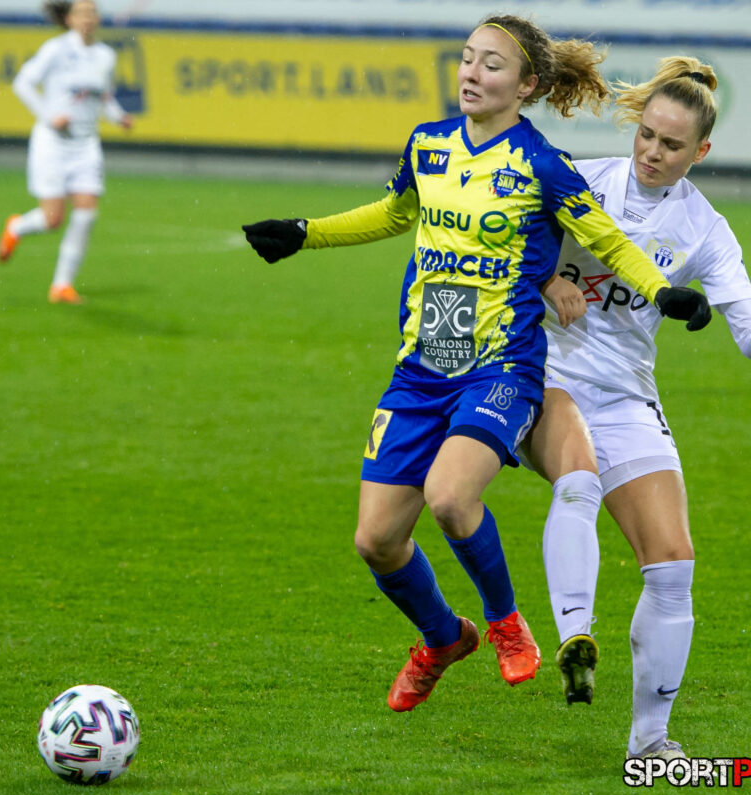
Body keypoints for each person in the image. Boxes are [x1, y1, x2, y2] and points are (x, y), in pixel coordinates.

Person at [243, 16, 709, 713]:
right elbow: (396, 213)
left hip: (502, 369)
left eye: (491, 66)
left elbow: (607, 242)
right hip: (423, 366)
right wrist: (305, 234)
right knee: (375, 540)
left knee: (451, 497)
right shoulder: (429, 144)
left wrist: (661, 291)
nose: (470, 73)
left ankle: (505, 623)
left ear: (525, 86)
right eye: (466, 59)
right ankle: (443, 637)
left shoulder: (542, 164)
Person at [522, 55, 750, 759]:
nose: (652, 152)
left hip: (625, 394)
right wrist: (545, 280)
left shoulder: (705, 231)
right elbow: (493, 242)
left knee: (673, 564)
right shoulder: (583, 183)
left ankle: (650, 744)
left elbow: (744, 320)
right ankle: (575, 635)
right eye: (646, 135)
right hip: (543, 376)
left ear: (701, 152)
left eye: (671, 145)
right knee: (579, 479)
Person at [0, 0, 132, 304]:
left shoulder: (105, 56)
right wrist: (48, 115)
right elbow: (23, 83)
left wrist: (118, 115)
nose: (88, 18)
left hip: (86, 145)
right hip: (53, 143)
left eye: (92, 13)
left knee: (86, 212)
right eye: (82, 13)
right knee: (52, 220)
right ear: (69, 18)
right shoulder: (55, 50)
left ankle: (61, 285)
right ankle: (16, 227)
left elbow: (103, 96)